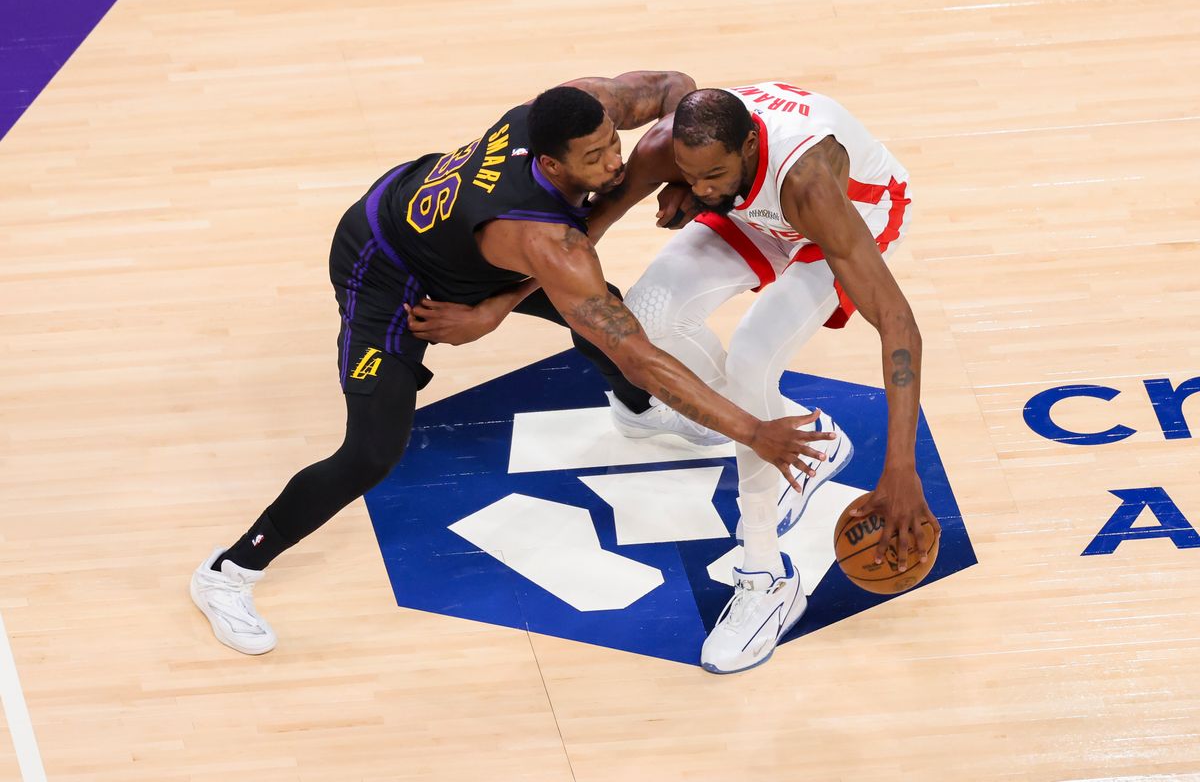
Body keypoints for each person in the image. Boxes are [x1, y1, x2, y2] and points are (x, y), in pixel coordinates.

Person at [190, 72, 835, 655]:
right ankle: (229, 571)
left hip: (463, 238)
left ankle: (639, 419)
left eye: (615, 143)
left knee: (603, 306)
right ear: (551, 163)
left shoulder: (574, 109)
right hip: (390, 271)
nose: (616, 164)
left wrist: (672, 176)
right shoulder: (544, 241)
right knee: (371, 452)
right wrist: (752, 432)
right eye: (596, 158)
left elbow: (676, 90)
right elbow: (632, 350)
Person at [421, 82, 943, 674]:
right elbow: (583, 233)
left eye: (712, 176)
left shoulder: (810, 184)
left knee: (753, 356)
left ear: (748, 144)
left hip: (853, 215)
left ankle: (766, 577)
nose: (700, 192)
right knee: (648, 312)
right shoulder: (676, 148)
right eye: (689, 178)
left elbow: (900, 326)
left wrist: (902, 470)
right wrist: (498, 306)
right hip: (758, 209)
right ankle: (807, 441)